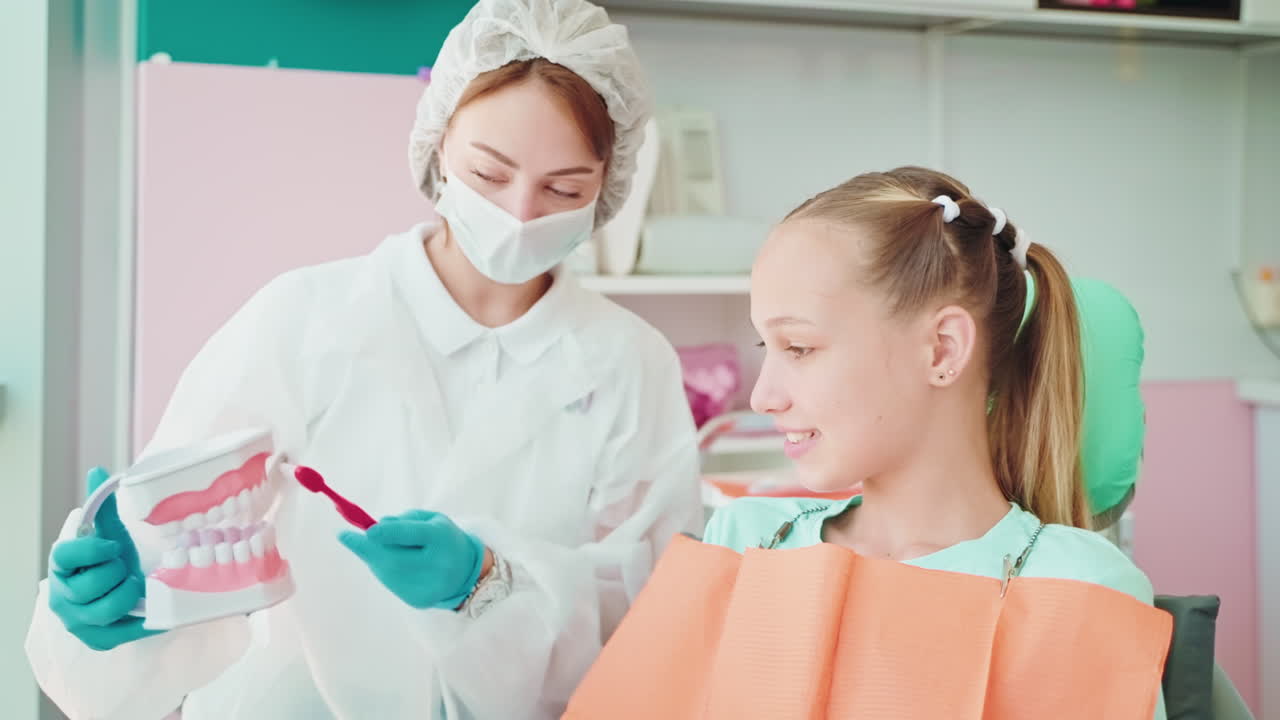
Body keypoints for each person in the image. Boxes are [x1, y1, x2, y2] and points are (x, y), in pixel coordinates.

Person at [25, 1, 702, 718]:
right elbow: (173, 533)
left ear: (609, 185)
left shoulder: (630, 364)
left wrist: (490, 587)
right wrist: (108, 611)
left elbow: (653, 621)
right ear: (440, 143)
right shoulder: (304, 319)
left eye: (564, 189)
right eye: (489, 173)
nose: (521, 214)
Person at [701, 166, 1168, 718]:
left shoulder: (1080, 589)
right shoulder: (744, 542)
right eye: (765, 346)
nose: (763, 397)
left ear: (942, 350)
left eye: (798, 347)